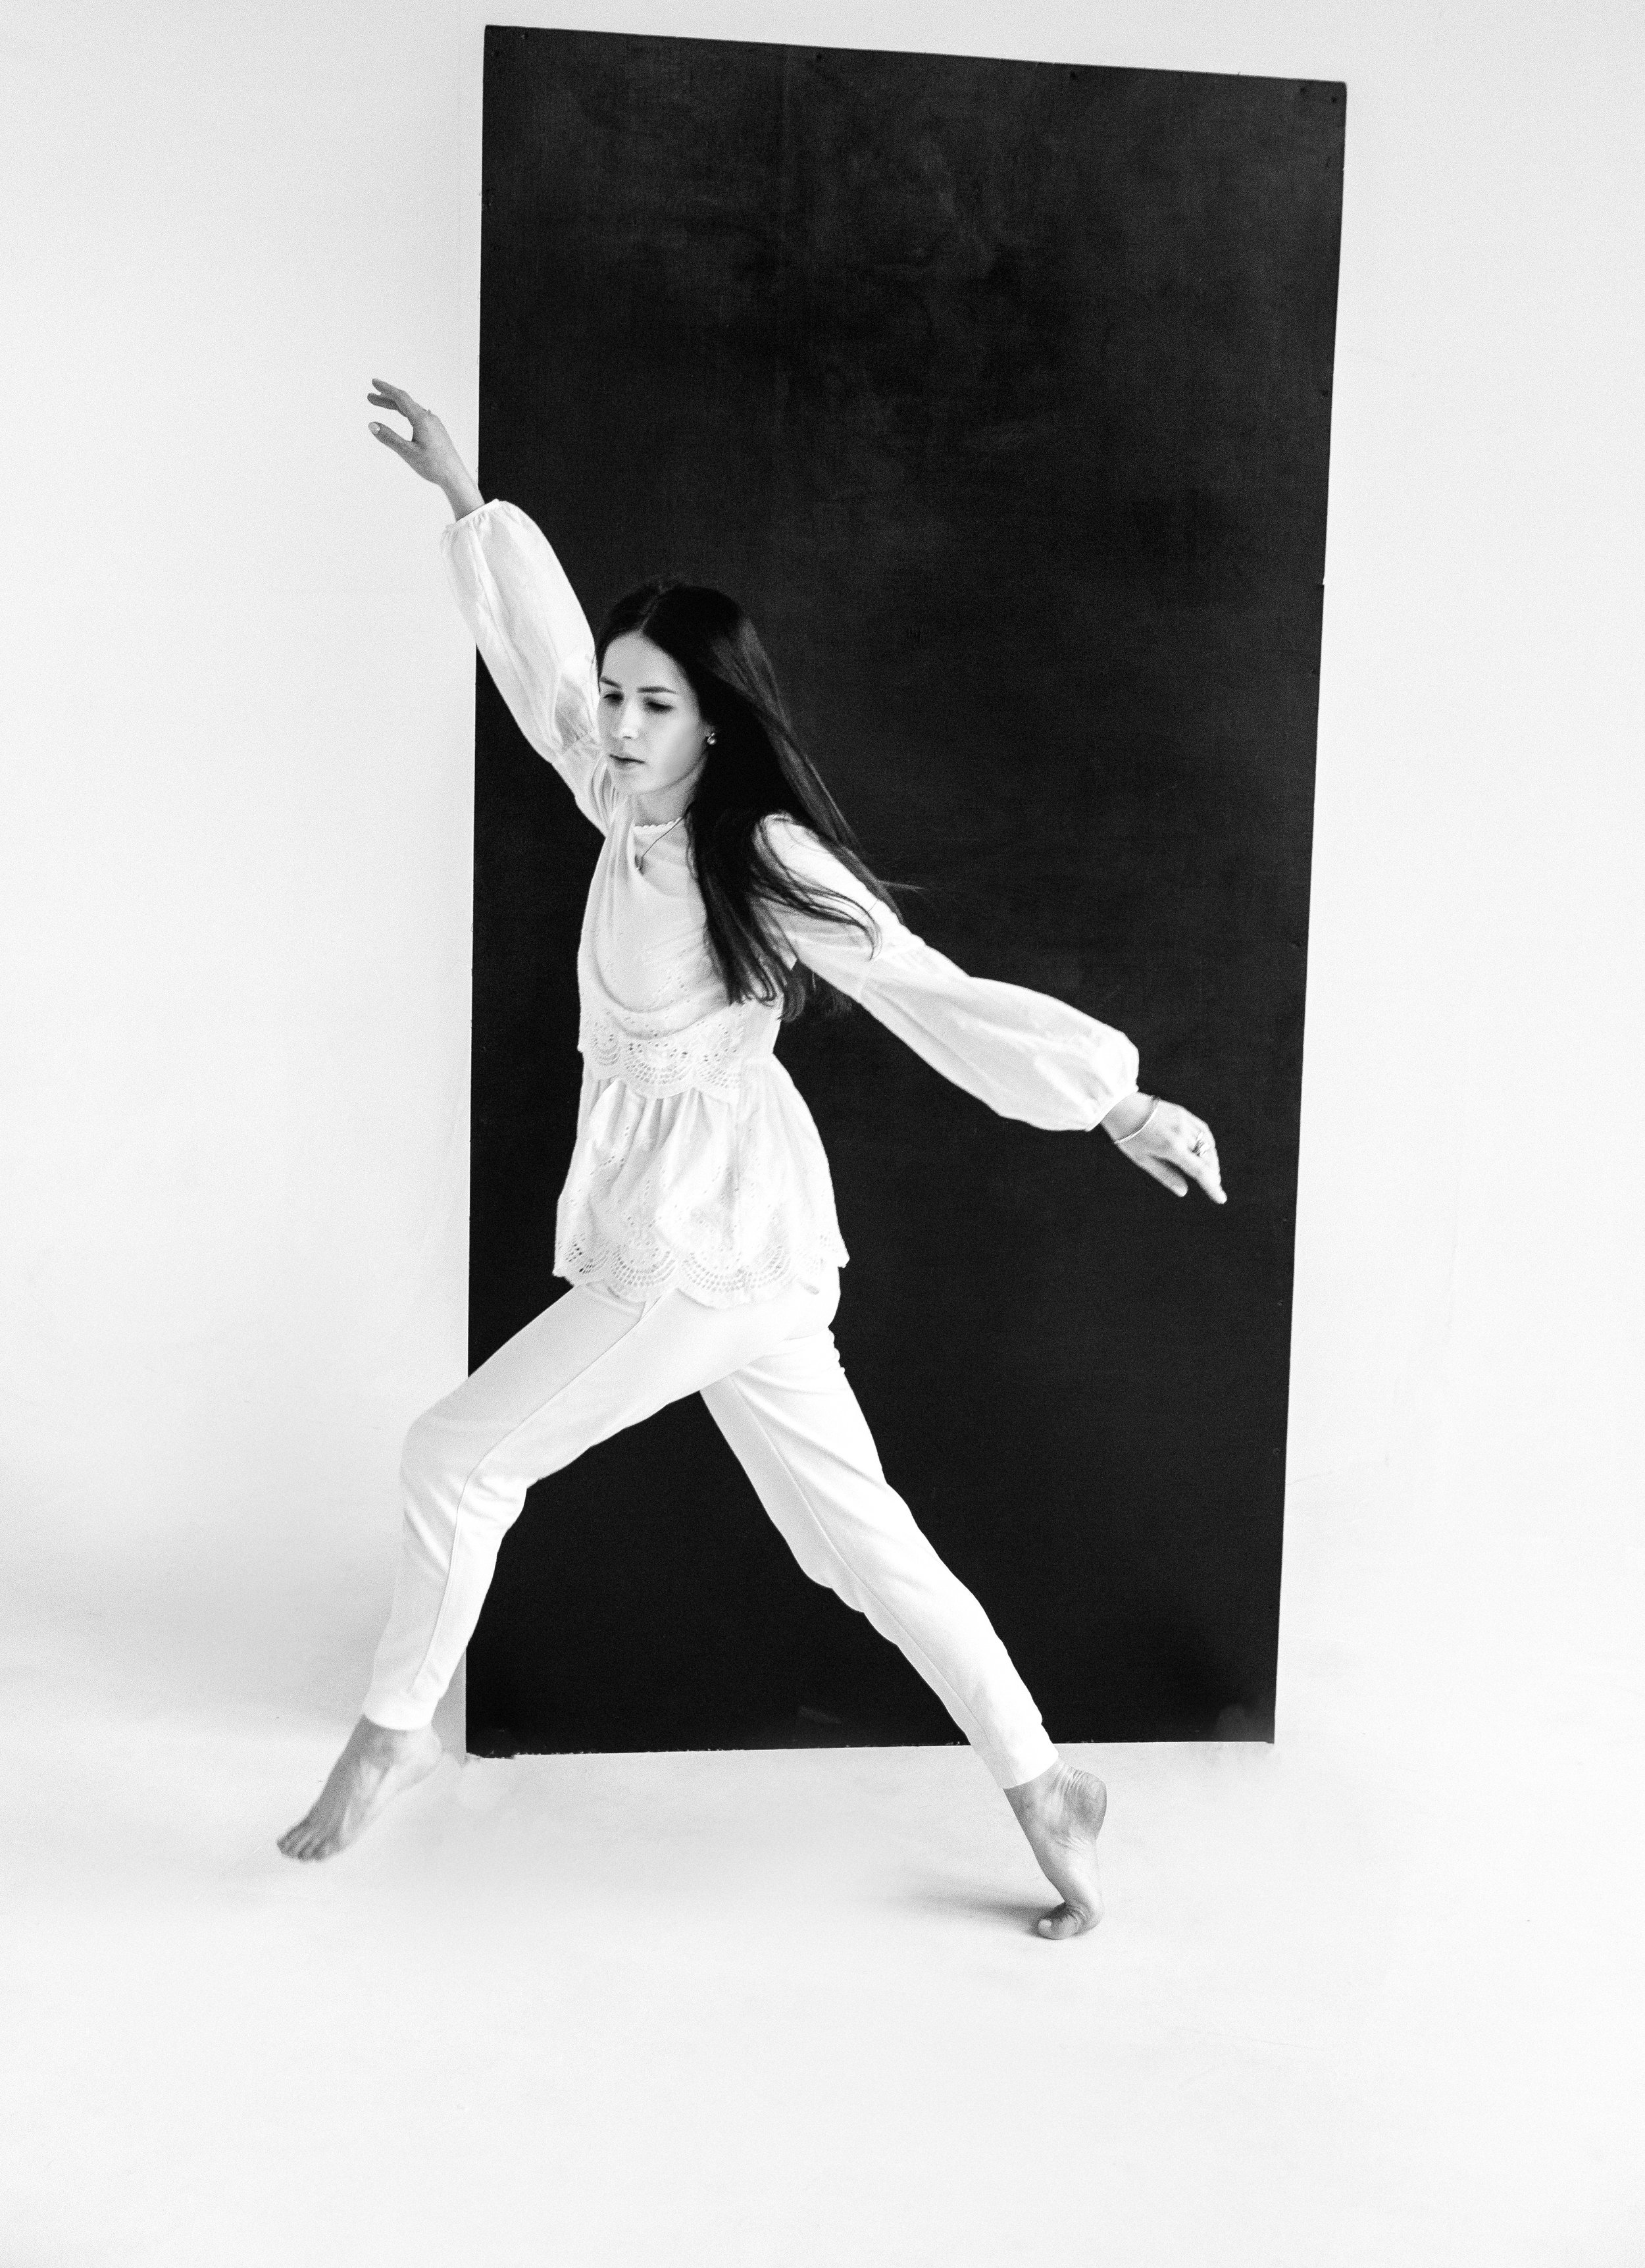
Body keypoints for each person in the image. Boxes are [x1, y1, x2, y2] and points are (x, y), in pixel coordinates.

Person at [278, 380, 1227, 1938]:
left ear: (714, 714)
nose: (623, 723)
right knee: (854, 1541)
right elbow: (543, 686)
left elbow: (921, 984)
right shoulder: (620, 796)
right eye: (619, 694)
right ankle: (1041, 1780)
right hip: (747, 1249)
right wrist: (468, 508)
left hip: (699, 1243)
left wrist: (1111, 1099)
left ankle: (386, 1739)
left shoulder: (757, 853)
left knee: (455, 1457)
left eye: (655, 702)